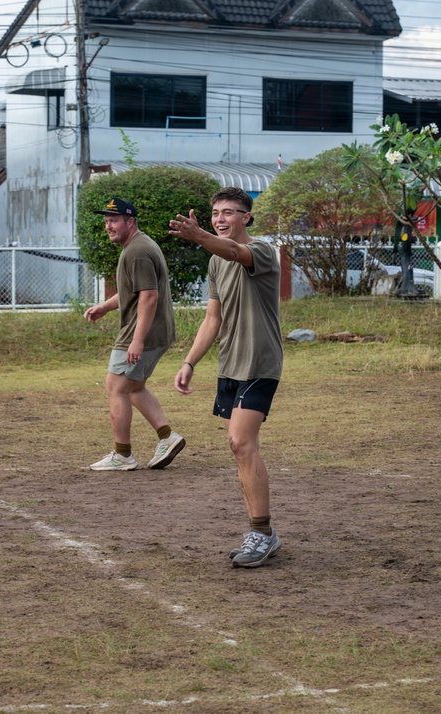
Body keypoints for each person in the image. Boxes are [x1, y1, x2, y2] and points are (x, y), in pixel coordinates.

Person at [168, 187, 284, 568]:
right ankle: (261, 532)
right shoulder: (215, 262)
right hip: (229, 364)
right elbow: (212, 318)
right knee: (240, 450)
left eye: (229, 212)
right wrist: (189, 362)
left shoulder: (262, 250)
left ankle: (261, 533)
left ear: (246, 217)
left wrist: (198, 236)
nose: (221, 219)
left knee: (240, 442)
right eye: (216, 212)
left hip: (260, 363)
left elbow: (235, 252)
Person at [84, 197, 184, 471]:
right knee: (134, 387)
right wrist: (105, 307)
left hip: (141, 332)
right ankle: (167, 437)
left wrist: (137, 340)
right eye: (106, 221)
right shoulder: (139, 245)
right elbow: (135, 291)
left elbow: (149, 297)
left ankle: (123, 455)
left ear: (130, 221)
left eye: (114, 221)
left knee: (115, 388)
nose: (108, 226)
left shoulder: (137, 252)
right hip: (155, 331)